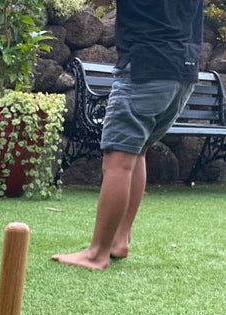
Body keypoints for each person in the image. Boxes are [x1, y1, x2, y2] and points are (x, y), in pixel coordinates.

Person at [52, 0, 205, 270]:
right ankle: (119, 239)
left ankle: (97, 253)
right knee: (138, 150)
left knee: (117, 159)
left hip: (147, 66)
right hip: (183, 70)